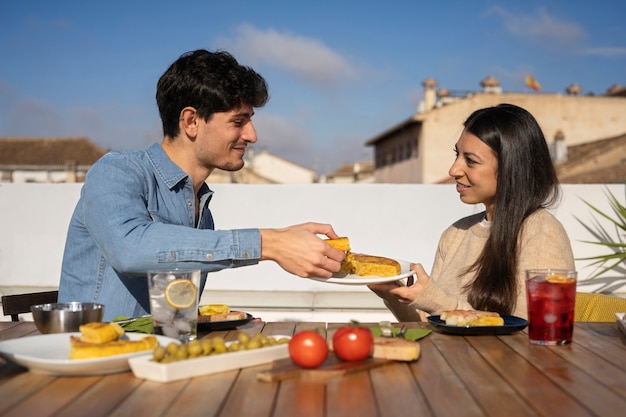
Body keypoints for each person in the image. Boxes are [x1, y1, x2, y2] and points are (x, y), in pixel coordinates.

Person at [58, 49, 345, 321]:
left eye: (250, 121)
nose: (252, 135)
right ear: (191, 121)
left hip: (161, 361)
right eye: (238, 121)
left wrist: (216, 321)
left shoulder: (202, 210)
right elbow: (130, 250)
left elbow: (171, 316)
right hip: (97, 364)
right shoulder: (118, 171)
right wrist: (268, 243)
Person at [369, 103, 575, 320]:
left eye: (471, 161)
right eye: (457, 155)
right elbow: (432, 326)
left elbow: (532, 333)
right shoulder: (455, 234)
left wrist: (434, 299)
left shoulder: (541, 234)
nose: (454, 170)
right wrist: (394, 293)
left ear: (511, 168)